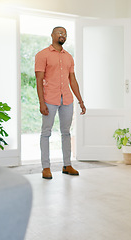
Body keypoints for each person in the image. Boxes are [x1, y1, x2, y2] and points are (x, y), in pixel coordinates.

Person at [35, 26, 86, 180]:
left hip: (67, 100)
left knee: (66, 133)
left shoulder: (69, 57)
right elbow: (38, 80)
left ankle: (67, 165)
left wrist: (80, 100)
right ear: (52, 35)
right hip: (49, 99)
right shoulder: (42, 55)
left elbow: (73, 80)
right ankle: (46, 167)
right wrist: (41, 102)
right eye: (59, 33)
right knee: (46, 133)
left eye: (65, 34)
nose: (62, 35)